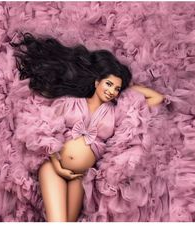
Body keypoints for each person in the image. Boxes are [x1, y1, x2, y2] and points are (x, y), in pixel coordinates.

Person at [10, 33, 164, 222]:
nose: (111, 91)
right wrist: (58, 167)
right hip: (54, 168)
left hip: (80, 178)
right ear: (97, 82)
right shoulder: (71, 101)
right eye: (108, 84)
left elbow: (157, 98)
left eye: (116, 89)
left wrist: (126, 87)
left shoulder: (115, 112)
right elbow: (47, 132)